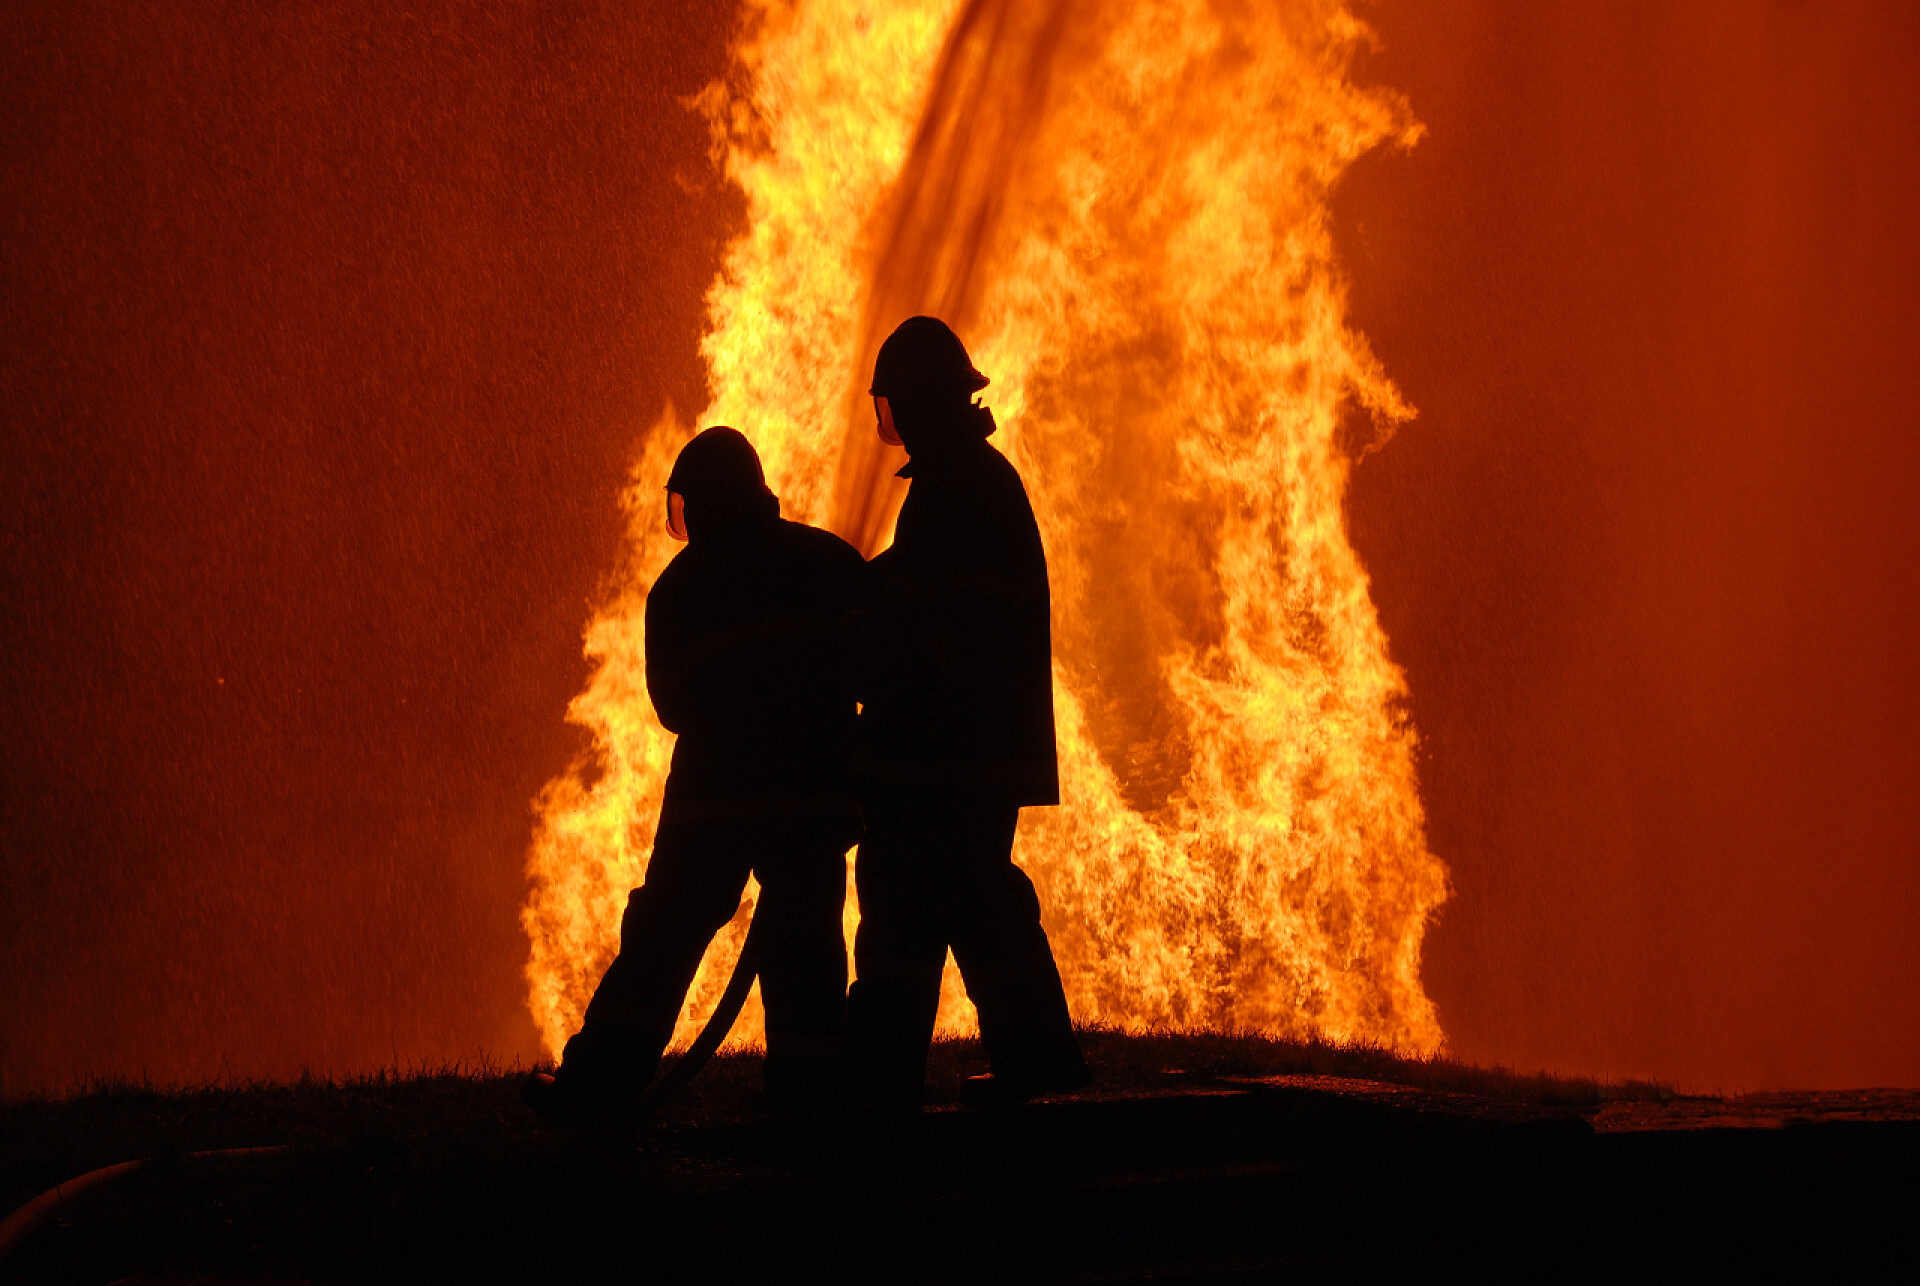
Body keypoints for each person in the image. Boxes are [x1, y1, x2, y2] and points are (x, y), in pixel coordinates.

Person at [524, 426, 866, 1125]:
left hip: (711, 808)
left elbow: (673, 706)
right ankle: (811, 1100)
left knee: (662, 940)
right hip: (812, 798)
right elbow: (872, 668)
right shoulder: (827, 562)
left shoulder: (678, 592)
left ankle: (598, 1087)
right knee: (805, 943)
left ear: (701, 503)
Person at [844, 316, 1090, 1108]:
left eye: (898, 401)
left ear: (915, 399)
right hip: (966, 755)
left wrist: (866, 629)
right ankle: (1032, 1062)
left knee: (915, 904)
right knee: (966, 901)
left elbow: (947, 623)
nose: (895, 419)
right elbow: (921, 589)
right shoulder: (964, 482)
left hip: (949, 757)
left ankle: (886, 1080)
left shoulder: (961, 487)